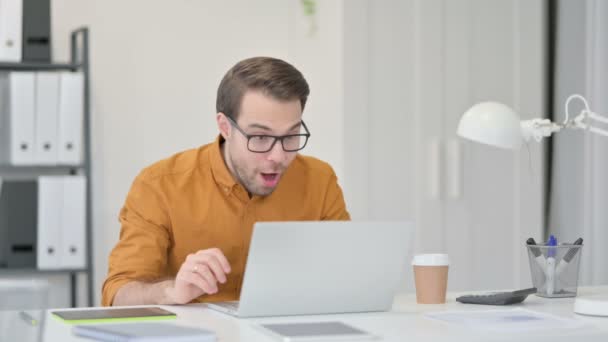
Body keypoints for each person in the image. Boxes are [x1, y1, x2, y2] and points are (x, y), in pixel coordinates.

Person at [102, 57, 350, 306]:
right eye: (260, 137)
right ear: (225, 127)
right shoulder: (158, 185)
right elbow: (118, 294)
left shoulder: (320, 180)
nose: (279, 157)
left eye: (291, 136)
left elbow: (347, 275)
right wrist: (172, 291)